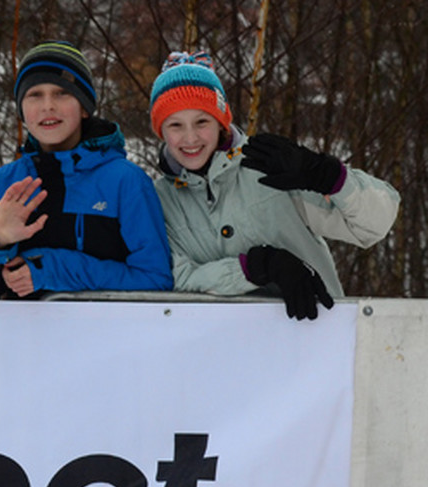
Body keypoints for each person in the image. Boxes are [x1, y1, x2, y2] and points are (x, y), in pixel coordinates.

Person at [149, 51, 401, 320]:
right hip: (220, 347)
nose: (190, 138)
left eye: (202, 122)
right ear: (161, 131)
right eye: (175, 125)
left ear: (221, 122)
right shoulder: (159, 199)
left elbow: (376, 224)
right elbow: (176, 276)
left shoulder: (271, 165)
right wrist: (254, 268)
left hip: (317, 334)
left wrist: (327, 176)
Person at [0, 41, 172, 298]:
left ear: (85, 108)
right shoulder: (5, 182)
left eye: (61, 93)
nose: (48, 106)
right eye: (35, 95)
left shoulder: (126, 181)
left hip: (104, 335)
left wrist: (54, 269)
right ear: (22, 110)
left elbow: (156, 281)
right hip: (16, 337)